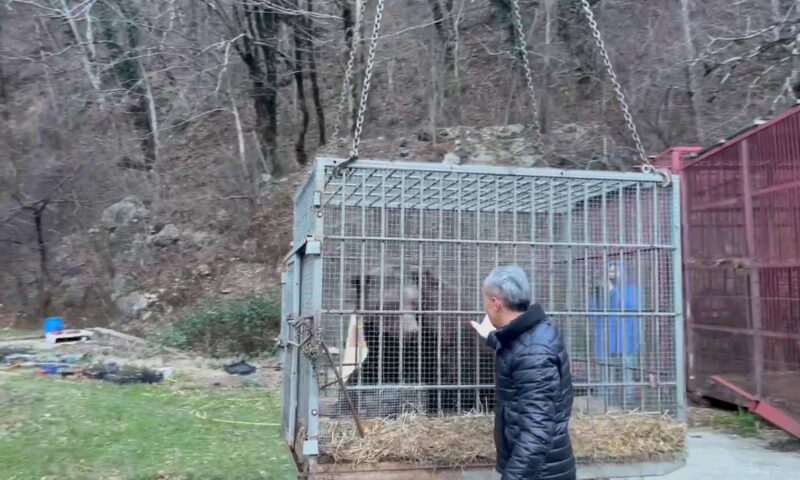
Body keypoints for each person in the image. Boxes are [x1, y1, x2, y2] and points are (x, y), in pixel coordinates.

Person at [470, 265, 576, 480]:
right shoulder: (533, 333)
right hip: (540, 468)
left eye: (485, 300)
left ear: (495, 304)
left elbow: (536, 432)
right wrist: (492, 337)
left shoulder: (534, 353)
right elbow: (517, 349)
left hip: (540, 473)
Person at [591, 259, 640, 407]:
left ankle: (628, 402)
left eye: (615, 271)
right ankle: (603, 403)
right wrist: (602, 294)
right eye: (610, 271)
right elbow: (592, 312)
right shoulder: (599, 292)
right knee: (605, 375)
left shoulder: (632, 290)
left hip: (627, 341)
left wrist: (612, 292)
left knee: (627, 374)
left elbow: (630, 307)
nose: (612, 274)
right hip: (605, 341)